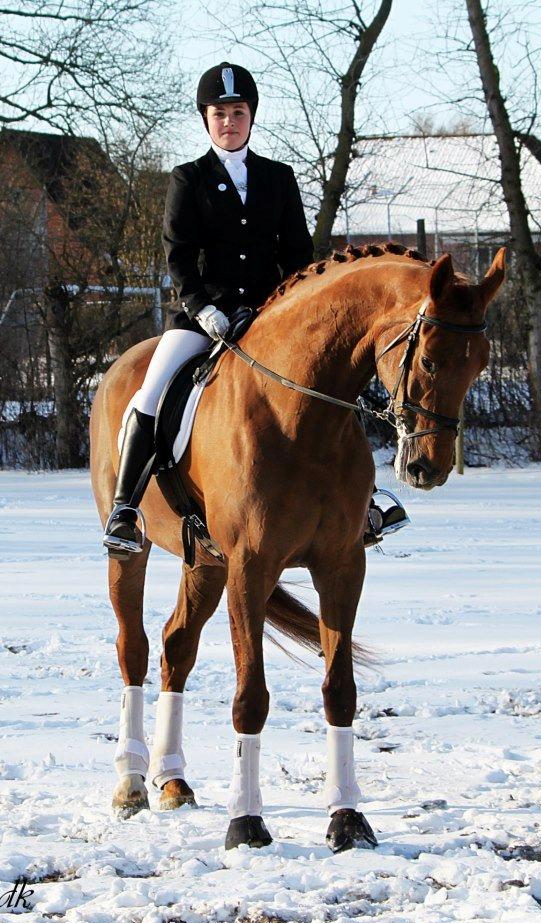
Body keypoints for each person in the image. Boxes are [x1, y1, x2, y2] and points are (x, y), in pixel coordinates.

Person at [103, 62, 408, 555]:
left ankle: (368, 497)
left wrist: (289, 310)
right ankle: (126, 508)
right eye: (220, 113)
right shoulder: (188, 179)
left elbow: (297, 257)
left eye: (238, 112)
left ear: (251, 118)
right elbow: (179, 255)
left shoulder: (278, 178)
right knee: (152, 393)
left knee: (331, 389)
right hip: (205, 318)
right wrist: (201, 307)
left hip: (273, 318)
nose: (229, 121)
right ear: (206, 119)